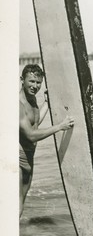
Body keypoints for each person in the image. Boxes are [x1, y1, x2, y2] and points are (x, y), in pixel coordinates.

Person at [19, 64, 74, 217]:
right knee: (16, 205)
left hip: (29, 159)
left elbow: (35, 122)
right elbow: (30, 135)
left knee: (21, 203)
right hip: (16, 159)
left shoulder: (32, 100)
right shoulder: (18, 104)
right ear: (22, 80)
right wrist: (59, 127)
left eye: (38, 83)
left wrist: (47, 104)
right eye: (31, 81)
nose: (35, 86)